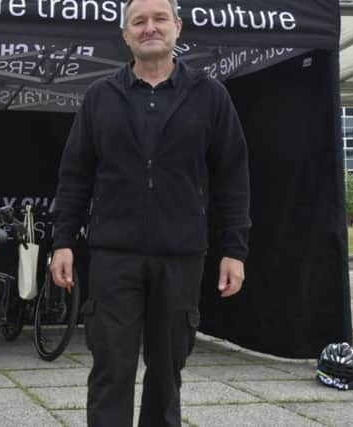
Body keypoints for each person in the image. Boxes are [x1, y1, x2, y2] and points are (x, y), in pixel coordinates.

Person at [50, 0, 251, 425]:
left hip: (180, 256)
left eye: (159, 18)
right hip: (112, 256)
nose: (149, 28)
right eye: (138, 21)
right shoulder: (100, 98)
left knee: (167, 371)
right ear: (125, 35)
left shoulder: (210, 96)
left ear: (177, 28)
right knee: (111, 369)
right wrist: (63, 241)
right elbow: (74, 177)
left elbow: (232, 177)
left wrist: (234, 249)